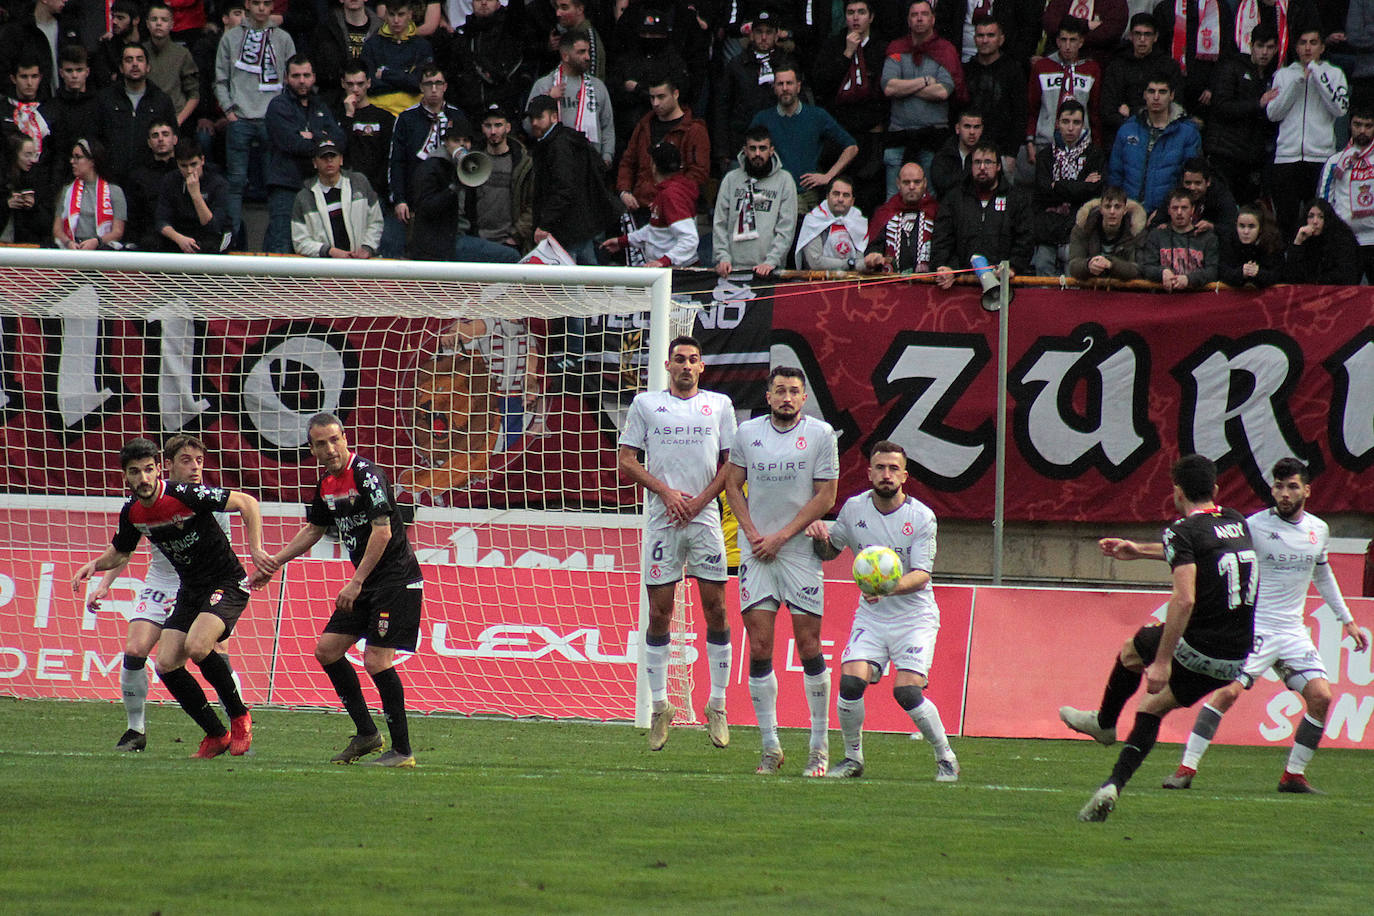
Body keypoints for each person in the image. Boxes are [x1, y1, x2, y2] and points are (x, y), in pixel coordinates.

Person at [1134, 458, 1371, 793]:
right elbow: (1204, 553)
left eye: (1292, 486)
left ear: (1307, 489)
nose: (1284, 494)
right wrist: (1141, 551)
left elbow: (1322, 573)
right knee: (1227, 692)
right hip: (1253, 627)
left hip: (1291, 632)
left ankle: (1293, 775)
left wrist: (1347, 621)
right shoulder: (1252, 526)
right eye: (1278, 486)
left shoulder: (1319, 530)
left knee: (1321, 697)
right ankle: (1186, 768)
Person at [1062, 453, 1256, 822]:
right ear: (1215, 489)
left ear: (1177, 493)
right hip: (1235, 659)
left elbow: (1184, 599)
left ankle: (1104, 723)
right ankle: (1111, 787)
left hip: (1200, 646)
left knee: (1132, 651)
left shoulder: (1180, 532)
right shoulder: (1237, 521)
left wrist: (1164, 661)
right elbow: (1206, 552)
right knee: (1151, 709)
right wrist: (1139, 551)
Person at [71, 437, 268, 759]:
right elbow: (121, 551)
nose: (144, 478)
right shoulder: (132, 512)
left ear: (159, 470)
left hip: (226, 582)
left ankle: (239, 716)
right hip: (188, 590)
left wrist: (257, 550)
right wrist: (95, 566)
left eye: (149, 470)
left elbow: (248, 503)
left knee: (198, 646)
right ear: (126, 477)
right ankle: (215, 734)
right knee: (165, 664)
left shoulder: (187, 494)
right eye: (136, 472)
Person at [252, 413, 424, 767]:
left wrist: (356, 581)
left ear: (345, 438)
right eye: (320, 443)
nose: (329, 449)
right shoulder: (327, 483)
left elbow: (383, 532)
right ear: (311, 448)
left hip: (394, 581)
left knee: (377, 660)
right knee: (327, 651)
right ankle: (367, 734)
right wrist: (275, 561)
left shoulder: (367, 475)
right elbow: (314, 529)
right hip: (367, 583)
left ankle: (403, 751)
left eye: (334, 440)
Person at [805, 441, 959, 782]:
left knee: (906, 692)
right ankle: (852, 759)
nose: (886, 474)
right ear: (869, 472)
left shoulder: (921, 517)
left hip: (914, 617)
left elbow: (921, 576)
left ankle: (945, 756)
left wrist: (886, 587)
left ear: (904, 475)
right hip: (873, 616)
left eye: (893, 468)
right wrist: (819, 536)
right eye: (880, 468)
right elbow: (831, 551)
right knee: (849, 682)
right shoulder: (854, 509)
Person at [616, 336, 737, 750]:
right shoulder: (646, 405)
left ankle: (717, 704)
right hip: (662, 520)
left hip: (704, 518)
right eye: (679, 360)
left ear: (702, 367)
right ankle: (660, 706)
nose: (686, 366)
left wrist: (700, 500)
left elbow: (731, 465)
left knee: (716, 608)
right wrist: (667, 494)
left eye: (694, 360)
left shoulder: (719, 405)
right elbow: (627, 460)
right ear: (667, 365)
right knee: (660, 613)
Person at [723, 366, 839, 777]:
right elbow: (732, 484)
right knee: (758, 647)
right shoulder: (747, 433)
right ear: (768, 396)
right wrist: (753, 533)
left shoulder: (822, 436)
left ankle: (818, 747)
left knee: (809, 646)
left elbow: (827, 493)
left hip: (799, 552)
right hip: (756, 551)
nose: (787, 397)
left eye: (794, 391)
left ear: (804, 398)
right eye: (780, 391)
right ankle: (770, 746)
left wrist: (782, 535)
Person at [215, 0, 297, 245]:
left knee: (274, 183)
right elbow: (220, 78)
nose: (262, 8)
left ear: (273, 7)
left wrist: (283, 114)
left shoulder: (283, 38)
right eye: (257, 3)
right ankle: (234, 241)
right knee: (236, 183)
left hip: (272, 121)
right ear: (247, 5)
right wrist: (229, 111)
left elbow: (292, 77)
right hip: (239, 118)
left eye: (267, 3)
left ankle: (275, 244)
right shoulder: (230, 38)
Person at [1266, 28, 1349, 237]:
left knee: (1320, 222)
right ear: (1296, 47)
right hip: (1287, 158)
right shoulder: (1284, 75)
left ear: (1322, 47)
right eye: (1303, 43)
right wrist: (1298, 82)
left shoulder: (1334, 74)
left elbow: (1340, 108)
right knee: (1286, 222)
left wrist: (1318, 75)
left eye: (1313, 42)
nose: (1308, 48)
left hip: (1320, 157)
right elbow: (1273, 113)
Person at [811, 0, 891, 215]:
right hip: (838, 135)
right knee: (835, 198)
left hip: (869, 136)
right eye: (850, 12)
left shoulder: (881, 48)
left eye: (861, 12)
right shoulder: (833, 44)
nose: (855, 18)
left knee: (866, 198)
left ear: (871, 17)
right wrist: (847, 53)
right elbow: (821, 84)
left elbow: (885, 93)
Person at [385, 66, 470, 258]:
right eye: (428, 84)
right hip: (416, 196)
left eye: (438, 83)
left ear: (445, 86)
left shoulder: (456, 115)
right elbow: (396, 161)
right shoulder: (407, 118)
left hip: (449, 198)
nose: (433, 89)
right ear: (421, 87)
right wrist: (399, 199)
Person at [749, 64, 858, 214]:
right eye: (780, 84)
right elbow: (747, 153)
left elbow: (851, 147)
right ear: (774, 87)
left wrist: (828, 176)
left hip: (805, 194)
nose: (785, 88)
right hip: (770, 193)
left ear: (798, 87)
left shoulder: (816, 116)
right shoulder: (763, 118)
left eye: (789, 83)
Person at [263, 54, 344, 254]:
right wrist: (321, 139)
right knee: (281, 247)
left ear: (314, 77)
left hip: (316, 188)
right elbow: (292, 144)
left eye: (306, 75)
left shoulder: (321, 106)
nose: (301, 80)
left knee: (314, 247)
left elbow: (340, 141)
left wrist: (310, 135)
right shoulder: (278, 106)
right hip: (285, 186)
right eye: (296, 75)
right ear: (286, 78)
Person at [527, 93, 618, 266]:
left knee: (570, 286)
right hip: (577, 226)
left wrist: (545, 224)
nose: (534, 123)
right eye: (532, 118)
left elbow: (563, 188)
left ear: (554, 116)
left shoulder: (558, 145)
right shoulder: (563, 140)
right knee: (589, 279)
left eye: (539, 117)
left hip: (566, 230)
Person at [409, 123, 521, 262]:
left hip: (460, 236)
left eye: (466, 141)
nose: (462, 145)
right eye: (456, 141)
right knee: (510, 257)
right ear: (446, 142)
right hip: (440, 244)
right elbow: (425, 207)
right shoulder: (431, 167)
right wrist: (452, 189)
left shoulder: (470, 166)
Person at [881, 0, 961, 193]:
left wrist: (905, 86)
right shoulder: (897, 48)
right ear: (908, 20)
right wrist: (925, 81)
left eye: (924, 14)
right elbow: (889, 88)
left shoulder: (945, 50)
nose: (919, 18)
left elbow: (943, 91)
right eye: (914, 15)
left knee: (930, 200)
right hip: (899, 136)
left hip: (933, 140)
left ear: (933, 19)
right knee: (893, 199)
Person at [932, 142, 1034, 287]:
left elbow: (1025, 239)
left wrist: (1013, 266)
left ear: (998, 166)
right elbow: (942, 239)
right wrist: (948, 267)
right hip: (960, 284)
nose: (982, 168)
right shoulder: (953, 199)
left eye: (988, 162)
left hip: (1004, 284)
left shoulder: (1016, 199)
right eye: (977, 162)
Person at [1205, 23, 1278, 206]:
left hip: (1251, 158)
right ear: (1251, 45)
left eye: (1270, 47)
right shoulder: (1232, 67)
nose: (1264, 52)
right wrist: (1258, 104)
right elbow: (1221, 106)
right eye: (1260, 46)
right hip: (1225, 153)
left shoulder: (1273, 77)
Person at [615, 77, 710, 218]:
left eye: (661, 97)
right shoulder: (644, 125)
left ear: (675, 94)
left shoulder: (693, 129)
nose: (656, 103)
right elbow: (628, 161)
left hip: (675, 208)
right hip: (641, 206)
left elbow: (698, 173)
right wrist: (625, 191)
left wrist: (669, 196)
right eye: (652, 98)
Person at [711, 125, 798, 278]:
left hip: (768, 270)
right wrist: (722, 257)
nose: (757, 154)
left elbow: (786, 228)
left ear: (771, 150)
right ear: (745, 150)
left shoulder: (785, 181)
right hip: (731, 270)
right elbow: (720, 223)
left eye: (763, 148)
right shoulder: (731, 179)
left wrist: (771, 261)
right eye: (753, 148)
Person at [1108, 75, 1201, 217]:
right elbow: (1115, 174)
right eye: (1151, 91)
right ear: (1145, 95)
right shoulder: (1128, 129)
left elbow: (1188, 182)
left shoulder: (1188, 133)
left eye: (1162, 92)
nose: (1156, 97)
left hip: (1168, 217)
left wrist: (1164, 213)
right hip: (1127, 214)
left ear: (1172, 95)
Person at [1031, 99, 1105, 276]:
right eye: (1065, 122)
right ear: (1057, 124)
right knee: (1042, 270)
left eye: (1076, 122)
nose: (1070, 128)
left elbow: (1093, 192)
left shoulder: (1095, 154)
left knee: (1073, 278)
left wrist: (1057, 185)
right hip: (1047, 228)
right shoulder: (1045, 155)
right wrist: (1080, 186)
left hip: (1078, 227)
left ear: (1083, 124)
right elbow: (1043, 191)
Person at [712, 8, 787, 177]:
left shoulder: (786, 64)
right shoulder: (736, 65)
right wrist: (722, 149)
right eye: (759, 32)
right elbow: (722, 107)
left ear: (776, 36)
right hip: (740, 144)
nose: (763, 37)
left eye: (769, 32)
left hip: (778, 144)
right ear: (751, 34)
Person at [1024, 16, 1103, 175]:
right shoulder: (1042, 67)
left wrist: (1097, 148)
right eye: (1064, 40)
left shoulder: (1091, 69)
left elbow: (1094, 111)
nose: (1068, 46)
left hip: (1081, 144)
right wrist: (1030, 141)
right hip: (1045, 142)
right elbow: (1032, 108)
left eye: (1073, 40)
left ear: (1081, 42)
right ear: (1057, 41)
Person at [94, 42, 179, 188]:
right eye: (129, 60)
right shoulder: (105, 99)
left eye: (139, 59)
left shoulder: (161, 100)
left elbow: (172, 139)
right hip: (112, 179)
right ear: (121, 68)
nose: (134, 64)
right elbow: (96, 138)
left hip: (149, 181)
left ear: (148, 67)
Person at [601, 142, 699, 266]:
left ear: (654, 166)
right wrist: (623, 241)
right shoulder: (673, 190)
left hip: (676, 273)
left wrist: (663, 261)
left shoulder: (671, 195)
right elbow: (656, 231)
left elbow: (689, 239)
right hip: (673, 269)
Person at [526, 32, 615, 168]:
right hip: (555, 163)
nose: (587, 57)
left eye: (588, 52)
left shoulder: (598, 87)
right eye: (581, 52)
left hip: (591, 164)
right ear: (565, 56)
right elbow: (528, 125)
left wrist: (607, 157)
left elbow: (607, 126)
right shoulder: (545, 85)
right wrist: (548, 100)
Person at [1100, 13, 1181, 151]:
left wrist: (1131, 112)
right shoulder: (1117, 66)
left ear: (1155, 37)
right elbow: (1107, 109)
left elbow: (1175, 105)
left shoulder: (1168, 67)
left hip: (1160, 137)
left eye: (1147, 34)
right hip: (1122, 136)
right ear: (1131, 36)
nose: (1142, 39)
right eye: (1137, 34)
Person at [291, 138, 383, 257]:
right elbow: (300, 241)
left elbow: (376, 221)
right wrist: (329, 251)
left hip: (362, 266)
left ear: (341, 160)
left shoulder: (360, 183)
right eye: (324, 157)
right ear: (314, 162)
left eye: (333, 156)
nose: (329, 161)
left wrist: (367, 247)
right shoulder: (303, 197)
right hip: (324, 269)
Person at [962, 16, 1025, 179]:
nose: (985, 40)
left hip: (1002, 152)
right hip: (969, 152)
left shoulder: (1013, 71)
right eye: (980, 36)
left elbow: (1020, 113)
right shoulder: (966, 70)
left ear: (1001, 39)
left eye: (990, 35)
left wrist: (1012, 153)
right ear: (974, 39)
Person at [1319, 101, 1374, 282]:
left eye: (1368, 126)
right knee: (1346, 299)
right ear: (1350, 125)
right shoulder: (1336, 161)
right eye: (1357, 125)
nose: (1362, 131)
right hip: (1346, 241)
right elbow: (1324, 202)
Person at [334, 59, 394, 206]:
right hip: (343, 191)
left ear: (368, 83)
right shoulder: (335, 115)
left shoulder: (384, 117)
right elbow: (338, 150)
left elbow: (388, 157)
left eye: (360, 84)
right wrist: (348, 115)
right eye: (350, 84)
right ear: (343, 84)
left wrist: (378, 188)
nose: (355, 89)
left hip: (375, 192)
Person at [156, 136, 232, 253]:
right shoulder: (169, 181)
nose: (190, 170)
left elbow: (213, 227)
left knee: (210, 246)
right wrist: (179, 238)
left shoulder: (218, 183)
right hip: (182, 232)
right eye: (184, 166)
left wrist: (196, 195)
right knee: (152, 242)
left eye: (193, 164)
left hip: (213, 233)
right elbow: (161, 221)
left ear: (202, 160)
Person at [361, 1, 434, 117]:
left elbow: (419, 84)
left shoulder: (422, 46)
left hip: (413, 110)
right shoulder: (372, 44)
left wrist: (385, 74)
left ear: (410, 14)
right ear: (385, 15)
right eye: (391, 14)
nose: (396, 20)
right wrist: (405, 78)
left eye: (401, 14)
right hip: (379, 109)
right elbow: (370, 85)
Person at [863, 160, 939, 272]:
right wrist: (874, 255)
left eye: (917, 182)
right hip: (890, 283)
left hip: (928, 282)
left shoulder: (936, 211)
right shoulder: (884, 212)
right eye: (906, 182)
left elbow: (944, 247)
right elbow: (875, 245)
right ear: (898, 184)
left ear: (925, 183)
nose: (911, 187)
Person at [1137, 187, 1218, 289]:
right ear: (1168, 210)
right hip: (1164, 298)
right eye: (1175, 208)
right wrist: (1162, 272)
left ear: (1192, 209)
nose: (1179, 212)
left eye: (1184, 208)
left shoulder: (1207, 238)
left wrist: (1189, 279)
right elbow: (1146, 267)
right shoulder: (1156, 235)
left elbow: (1213, 271)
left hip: (1197, 298)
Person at [53, 138, 127, 249]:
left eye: (78, 157)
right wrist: (69, 243)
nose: (72, 161)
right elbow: (57, 229)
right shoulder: (67, 191)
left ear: (92, 161)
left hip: (102, 248)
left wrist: (97, 242)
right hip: (72, 246)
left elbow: (117, 232)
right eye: (73, 157)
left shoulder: (114, 191)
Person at [311, 0, 381, 109]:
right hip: (334, 101)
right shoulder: (326, 29)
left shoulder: (381, 30)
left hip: (375, 100)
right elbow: (319, 68)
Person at [1066, 186, 1146, 280]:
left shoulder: (1136, 232)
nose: (1112, 212)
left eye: (1117, 207)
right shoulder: (1083, 227)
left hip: (1123, 290)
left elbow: (1139, 270)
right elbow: (1073, 266)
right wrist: (1088, 265)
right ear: (1101, 209)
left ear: (1125, 210)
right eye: (1108, 207)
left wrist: (1111, 264)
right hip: (1090, 288)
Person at [144, 1, 201, 129]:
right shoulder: (139, 53)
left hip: (175, 118)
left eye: (164, 20)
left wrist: (178, 120)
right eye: (154, 19)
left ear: (172, 24)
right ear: (147, 24)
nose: (158, 23)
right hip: (145, 118)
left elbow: (194, 95)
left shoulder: (182, 54)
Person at [125, 120, 181, 249]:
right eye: (155, 135)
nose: (160, 139)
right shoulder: (138, 176)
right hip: (151, 238)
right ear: (149, 143)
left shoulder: (185, 171)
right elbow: (134, 216)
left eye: (165, 134)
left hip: (183, 234)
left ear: (175, 139)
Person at [794, 175, 868, 270]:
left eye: (846, 195)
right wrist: (851, 264)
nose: (840, 199)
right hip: (819, 281)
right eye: (836, 194)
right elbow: (815, 262)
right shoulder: (814, 220)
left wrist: (856, 265)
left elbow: (862, 261)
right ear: (827, 196)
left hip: (853, 280)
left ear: (852, 201)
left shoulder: (860, 222)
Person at [1284, 198, 1362, 284]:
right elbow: (1291, 276)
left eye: (1321, 217)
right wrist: (1297, 243)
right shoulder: (1302, 236)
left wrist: (1317, 282)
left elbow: (1346, 273)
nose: (1315, 221)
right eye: (1311, 216)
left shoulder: (1342, 238)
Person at [2, 134, 53, 244]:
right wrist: (6, 205)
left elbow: (47, 224)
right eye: (27, 155)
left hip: (27, 245)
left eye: (34, 155)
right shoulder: (3, 178)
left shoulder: (39, 179)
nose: (32, 160)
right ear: (14, 154)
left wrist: (34, 206)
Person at [1218, 203, 1284, 286]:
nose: (1246, 232)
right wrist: (1241, 273)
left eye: (1251, 226)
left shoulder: (1272, 243)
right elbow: (1222, 272)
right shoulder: (1229, 241)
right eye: (1242, 226)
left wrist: (1258, 273)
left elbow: (1279, 275)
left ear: (1260, 228)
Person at [928, 109, 982, 201]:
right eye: (967, 126)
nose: (972, 132)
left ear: (982, 129)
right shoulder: (944, 155)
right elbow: (941, 186)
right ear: (957, 129)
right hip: (949, 208)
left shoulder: (989, 155)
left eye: (976, 127)